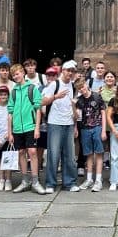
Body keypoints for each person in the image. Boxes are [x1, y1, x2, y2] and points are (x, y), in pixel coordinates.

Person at [41, 60, 79, 193]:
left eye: (72, 71)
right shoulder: (54, 84)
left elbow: (73, 105)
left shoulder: (73, 86)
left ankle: (69, 183)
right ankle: (50, 183)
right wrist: (56, 96)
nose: (70, 73)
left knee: (69, 155)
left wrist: (75, 125)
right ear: (62, 70)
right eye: (68, 70)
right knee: (53, 154)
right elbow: (42, 101)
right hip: (55, 123)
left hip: (68, 123)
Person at [8, 64, 45, 194]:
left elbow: (38, 109)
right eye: (13, 75)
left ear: (23, 73)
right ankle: (25, 181)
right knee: (21, 153)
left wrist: (37, 128)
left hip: (30, 126)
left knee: (33, 152)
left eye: (17, 73)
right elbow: (10, 112)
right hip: (17, 128)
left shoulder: (32, 88)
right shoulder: (13, 91)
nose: (16, 76)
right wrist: (10, 132)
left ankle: (35, 181)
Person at [76, 79, 107, 192]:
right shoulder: (79, 100)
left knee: (99, 153)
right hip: (85, 128)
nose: (82, 89)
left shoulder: (97, 96)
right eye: (79, 88)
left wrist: (103, 130)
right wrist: (75, 128)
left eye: (83, 86)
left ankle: (98, 180)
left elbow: (103, 113)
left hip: (97, 127)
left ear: (86, 85)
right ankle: (89, 179)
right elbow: (77, 117)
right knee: (88, 154)